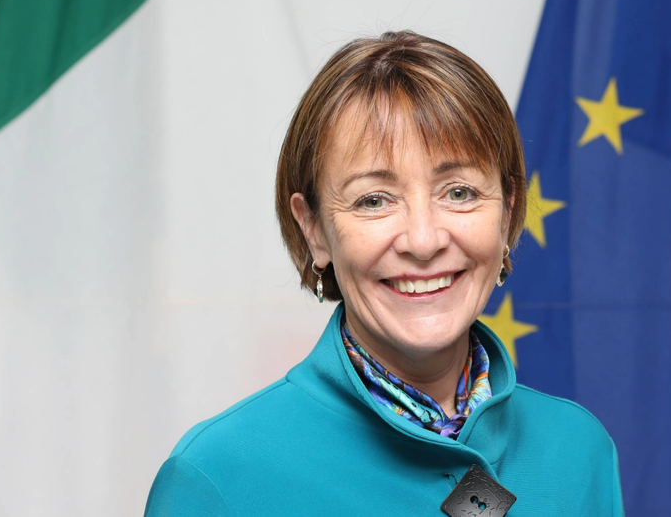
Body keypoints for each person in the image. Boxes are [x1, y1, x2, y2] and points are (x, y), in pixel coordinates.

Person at [144, 30, 625, 516]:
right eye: (374, 200)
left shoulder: (580, 451)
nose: (423, 240)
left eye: (459, 192)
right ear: (314, 230)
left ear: (507, 213)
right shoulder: (218, 477)